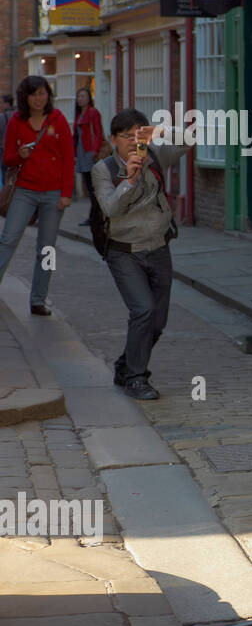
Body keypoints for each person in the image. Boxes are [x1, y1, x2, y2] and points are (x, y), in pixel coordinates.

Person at [91, 109, 192, 401]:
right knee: (143, 310)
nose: (133, 142)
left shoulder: (155, 156)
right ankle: (137, 379)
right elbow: (110, 208)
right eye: (126, 136)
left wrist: (160, 132)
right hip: (124, 252)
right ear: (113, 140)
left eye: (138, 134)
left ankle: (125, 364)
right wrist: (131, 180)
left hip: (158, 247)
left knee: (157, 322)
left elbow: (188, 140)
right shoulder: (103, 169)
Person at [0, 76, 75, 315]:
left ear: (48, 95)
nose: (38, 99)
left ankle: (38, 299)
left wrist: (66, 193)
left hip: (53, 195)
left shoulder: (58, 120)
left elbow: (68, 158)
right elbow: (7, 159)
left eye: (42, 93)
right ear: (25, 97)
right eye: (33, 94)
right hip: (25, 191)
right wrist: (20, 155)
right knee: (8, 239)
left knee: (47, 249)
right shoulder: (16, 121)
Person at [74, 88, 105, 225]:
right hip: (81, 152)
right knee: (89, 185)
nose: (80, 99)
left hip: (90, 153)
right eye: (79, 96)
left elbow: (98, 132)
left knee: (94, 187)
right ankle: (94, 216)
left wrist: (95, 150)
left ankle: (95, 216)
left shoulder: (93, 112)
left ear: (89, 98)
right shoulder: (79, 114)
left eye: (83, 96)